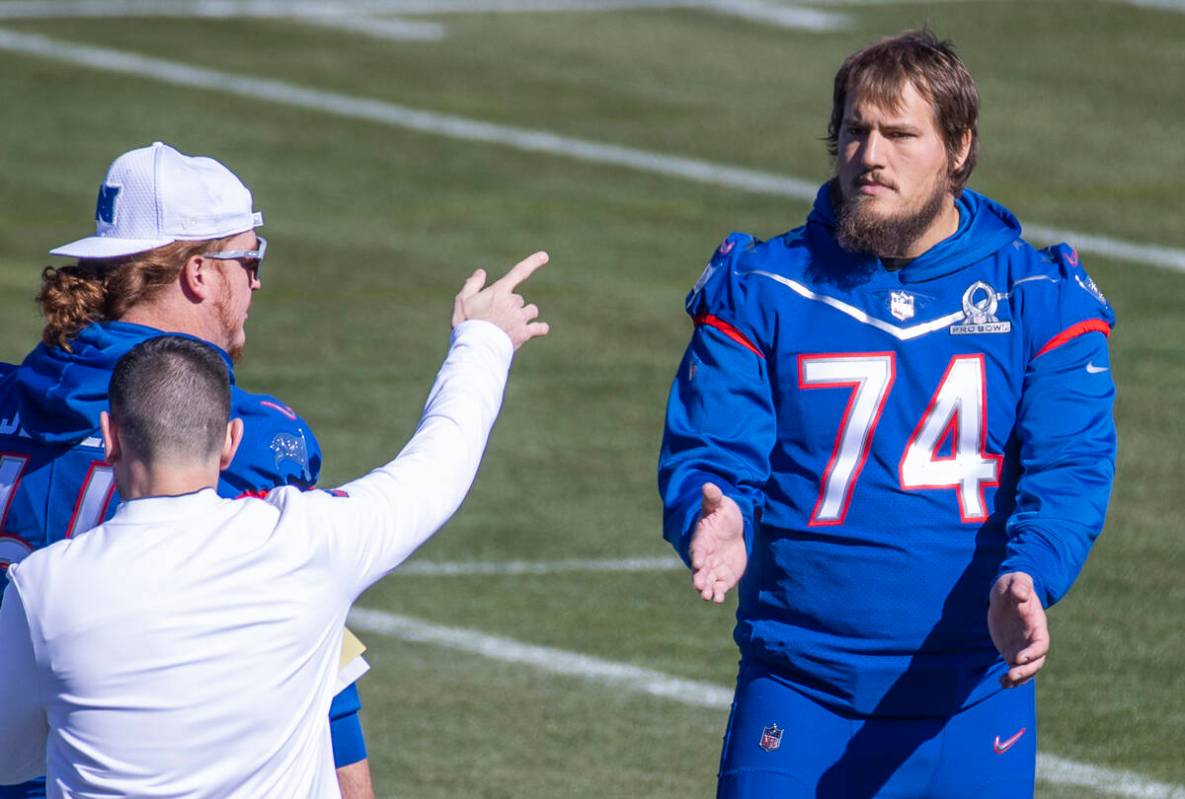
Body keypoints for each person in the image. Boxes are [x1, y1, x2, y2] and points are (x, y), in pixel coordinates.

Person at [658, 29, 1116, 798]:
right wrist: (712, 512)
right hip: (800, 680)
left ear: (957, 148)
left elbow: (1068, 468)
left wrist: (1030, 572)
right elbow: (712, 445)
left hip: (968, 691)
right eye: (854, 130)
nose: (871, 154)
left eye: (900, 134)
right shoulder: (762, 286)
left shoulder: (1040, 298)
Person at [0, 252, 548, 796]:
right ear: (230, 443)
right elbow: (439, 465)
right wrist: (483, 339)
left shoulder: (43, 585)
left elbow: (10, 756)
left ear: (112, 436)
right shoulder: (307, 540)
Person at [0, 142, 375, 798]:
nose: (256, 280)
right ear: (200, 273)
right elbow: (315, 661)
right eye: (249, 259)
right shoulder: (248, 434)